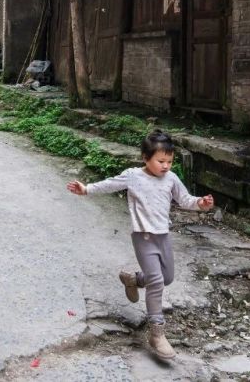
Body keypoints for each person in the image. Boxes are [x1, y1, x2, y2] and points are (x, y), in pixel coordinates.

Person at [67, 130, 214, 361]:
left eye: (169, 161)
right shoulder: (134, 176)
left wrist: (201, 203)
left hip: (162, 236)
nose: (166, 166)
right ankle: (157, 333)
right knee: (156, 281)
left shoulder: (171, 179)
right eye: (161, 161)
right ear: (145, 158)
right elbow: (109, 184)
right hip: (143, 237)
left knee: (167, 277)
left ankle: (133, 280)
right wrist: (86, 189)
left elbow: (185, 200)